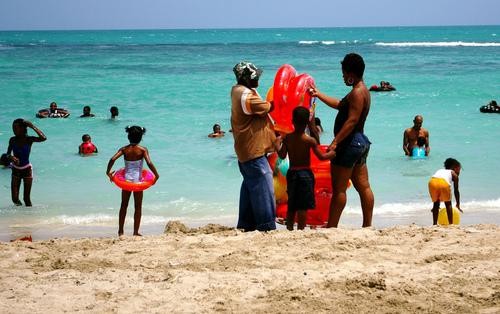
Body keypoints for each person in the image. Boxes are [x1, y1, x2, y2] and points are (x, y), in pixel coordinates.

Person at [310, 53, 374, 228]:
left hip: (350, 144)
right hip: (361, 142)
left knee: (339, 189)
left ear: (351, 74)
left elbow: (352, 121)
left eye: (344, 73)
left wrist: (335, 142)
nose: (343, 76)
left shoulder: (356, 93)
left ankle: (332, 226)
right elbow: (339, 104)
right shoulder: (363, 91)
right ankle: (367, 226)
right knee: (364, 187)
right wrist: (318, 94)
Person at [230, 61, 278, 232]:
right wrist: (278, 98)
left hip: (246, 151)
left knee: (251, 186)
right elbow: (267, 107)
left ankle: (246, 225)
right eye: (254, 77)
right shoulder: (246, 96)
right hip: (253, 152)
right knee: (264, 187)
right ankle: (266, 226)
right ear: (245, 79)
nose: (257, 79)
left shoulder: (238, 90)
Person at [278, 107, 335, 230]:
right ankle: (301, 229)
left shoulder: (288, 138)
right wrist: (333, 154)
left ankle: (289, 228)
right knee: (303, 206)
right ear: (307, 123)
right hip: (305, 173)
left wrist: (277, 144)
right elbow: (321, 157)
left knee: (292, 203)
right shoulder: (310, 140)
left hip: (292, 172)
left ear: (292, 121)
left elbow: (282, 155)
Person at [106, 126, 159, 237]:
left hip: (126, 181)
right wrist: (156, 175)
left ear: (128, 136)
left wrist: (108, 173)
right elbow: (149, 163)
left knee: (123, 205)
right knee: (138, 206)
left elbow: (112, 159)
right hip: (137, 182)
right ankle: (135, 232)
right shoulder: (143, 149)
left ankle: (120, 232)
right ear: (140, 137)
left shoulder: (124, 149)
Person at [6, 119, 47, 206]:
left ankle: (29, 217)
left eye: (16, 128)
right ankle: (21, 216)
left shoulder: (29, 139)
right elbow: (7, 154)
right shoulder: (12, 140)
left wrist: (32, 126)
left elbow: (43, 138)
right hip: (15, 170)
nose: (14, 130)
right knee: (15, 199)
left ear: (22, 128)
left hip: (27, 170)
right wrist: (10, 157)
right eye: (13, 128)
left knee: (26, 199)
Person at [428, 158, 462, 225]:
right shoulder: (453, 174)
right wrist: (458, 204)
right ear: (454, 168)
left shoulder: (440, 170)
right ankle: (451, 224)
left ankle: (434, 224)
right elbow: (456, 191)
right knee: (448, 203)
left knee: (436, 203)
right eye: (459, 170)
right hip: (443, 183)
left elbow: (437, 181)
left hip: (432, 182)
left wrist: (434, 208)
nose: (459, 172)